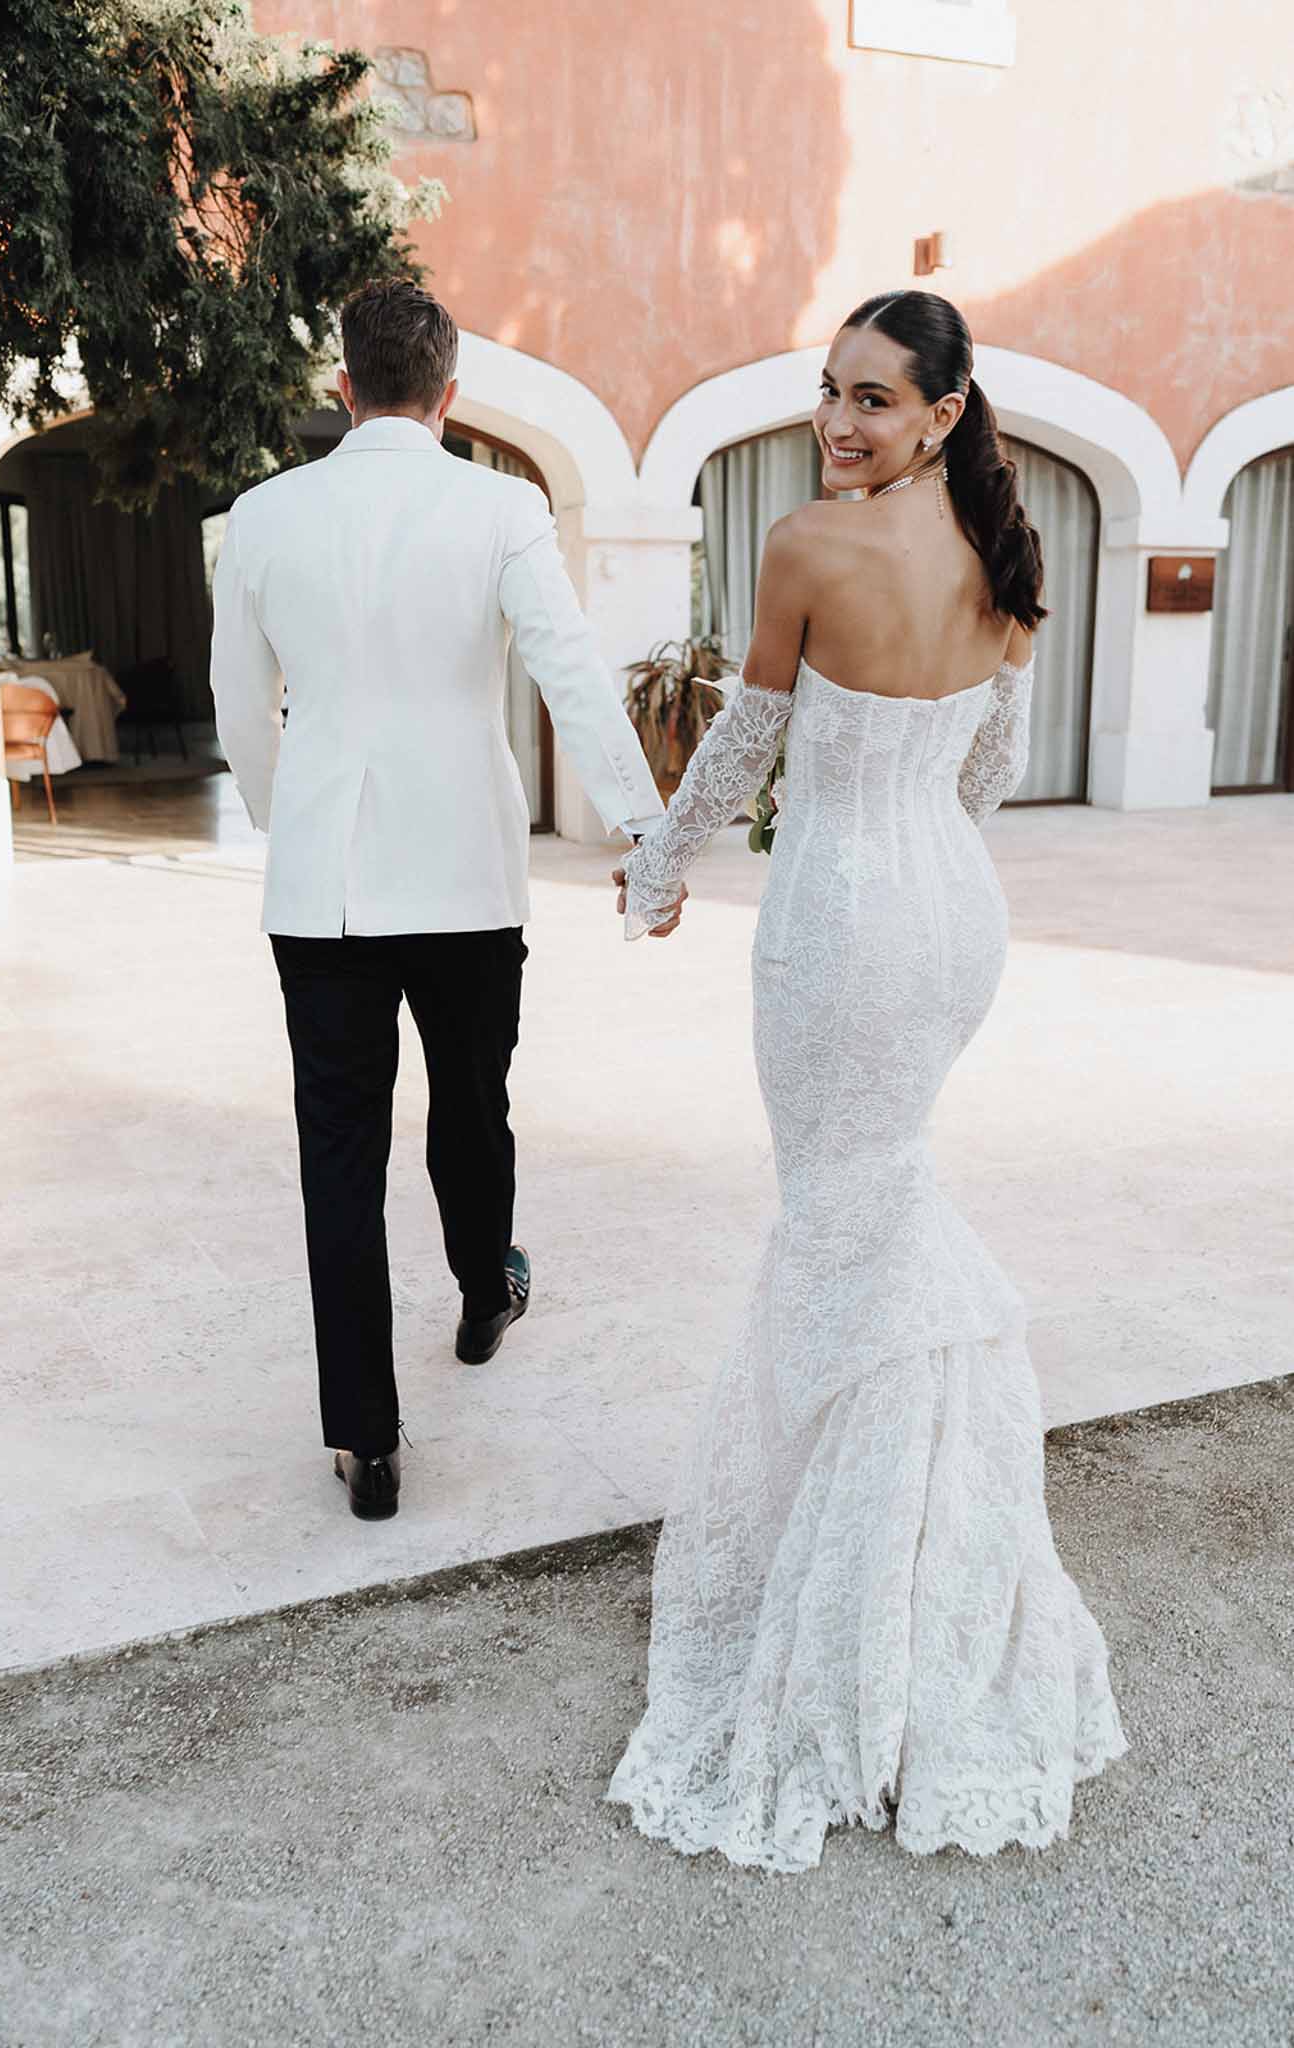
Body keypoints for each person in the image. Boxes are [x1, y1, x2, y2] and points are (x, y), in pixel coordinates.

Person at [606, 290, 1127, 1866]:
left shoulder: (807, 550)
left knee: (842, 1222)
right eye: (829, 391)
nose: (839, 422)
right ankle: (897, 1542)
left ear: (941, 413)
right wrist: (905, 841)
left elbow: (741, 748)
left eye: (876, 399)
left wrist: (655, 866)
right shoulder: (1005, 561)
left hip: (838, 932)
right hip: (951, 918)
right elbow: (989, 774)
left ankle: (860, 1582)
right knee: (873, 1211)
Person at [210, 279, 677, 1523]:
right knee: (472, 1107)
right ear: (449, 395)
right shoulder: (502, 505)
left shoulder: (261, 513)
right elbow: (570, 669)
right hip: (467, 875)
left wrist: (288, 814)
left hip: (324, 891)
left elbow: (236, 704)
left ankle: (366, 1440)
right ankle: (482, 1294)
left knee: (337, 1152)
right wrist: (646, 825)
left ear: (343, 387)